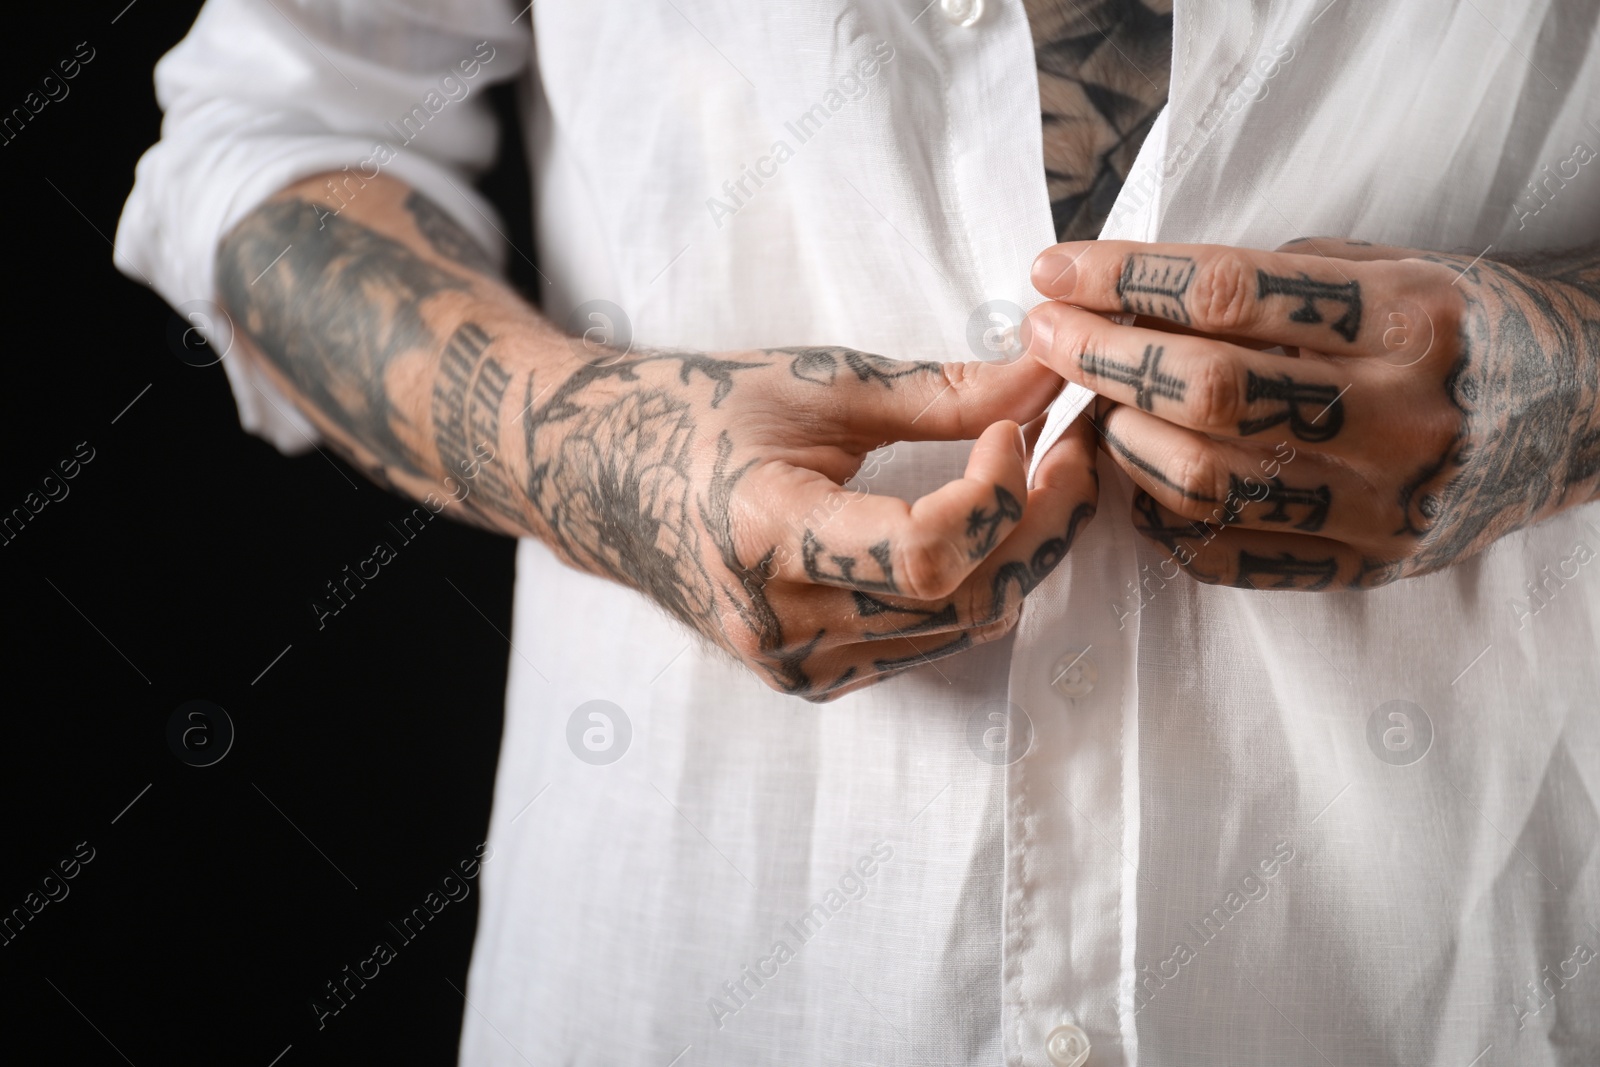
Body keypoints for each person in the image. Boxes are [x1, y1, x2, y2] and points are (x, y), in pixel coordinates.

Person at [115, 0, 1600, 1063]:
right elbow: (275, 128)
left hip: (1473, 955)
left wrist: (1571, 381)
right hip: (707, 964)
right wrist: (603, 458)